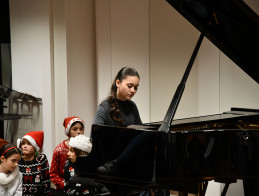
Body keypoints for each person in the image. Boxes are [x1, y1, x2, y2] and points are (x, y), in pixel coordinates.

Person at [92, 67, 169, 196]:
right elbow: (95, 137)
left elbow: (140, 133)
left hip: (131, 160)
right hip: (111, 160)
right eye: (130, 86)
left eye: (136, 88)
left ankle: (121, 164)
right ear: (118, 83)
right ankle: (118, 164)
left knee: (162, 177)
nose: (133, 91)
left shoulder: (132, 107)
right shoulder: (104, 107)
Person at [50, 116, 85, 193]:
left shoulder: (86, 148)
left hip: (82, 188)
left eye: (81, 129)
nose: (78, 132)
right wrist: (65, 185)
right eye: (75, 129)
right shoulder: (59, 149)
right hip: (64, 189)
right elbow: (53, 173)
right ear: (68, 131)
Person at [17, 131, 51, 195]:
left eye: (29, 144)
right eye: (23, 143)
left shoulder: (41, 159)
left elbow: (46, 181)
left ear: (35, 147)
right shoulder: (18, 159)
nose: (24, 146)